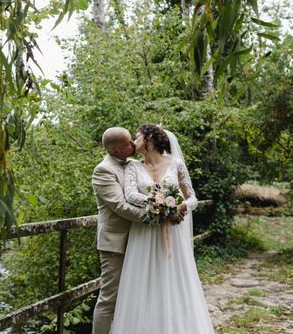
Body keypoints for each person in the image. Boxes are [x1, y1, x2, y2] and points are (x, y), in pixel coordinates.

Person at [111, 123, 215, 333]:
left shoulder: (176, 164)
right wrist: (157, 203)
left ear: (149, 140)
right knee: (144, 282)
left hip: (173, 232)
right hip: (145, 232)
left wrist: (180, 206)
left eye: (137, 137)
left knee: (174, 280)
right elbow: (130, 195)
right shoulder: (132, 166)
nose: (133, 142)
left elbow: (192, 197)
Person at [91, 127, 149, 334]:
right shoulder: (103, 170)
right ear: (115, 151)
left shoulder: (133, 164)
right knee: (109, 299)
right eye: (128, 143)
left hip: (139, 239)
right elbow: (120, 206)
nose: (134, 145)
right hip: (115, 242)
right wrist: (156, 217)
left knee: (135, 294)